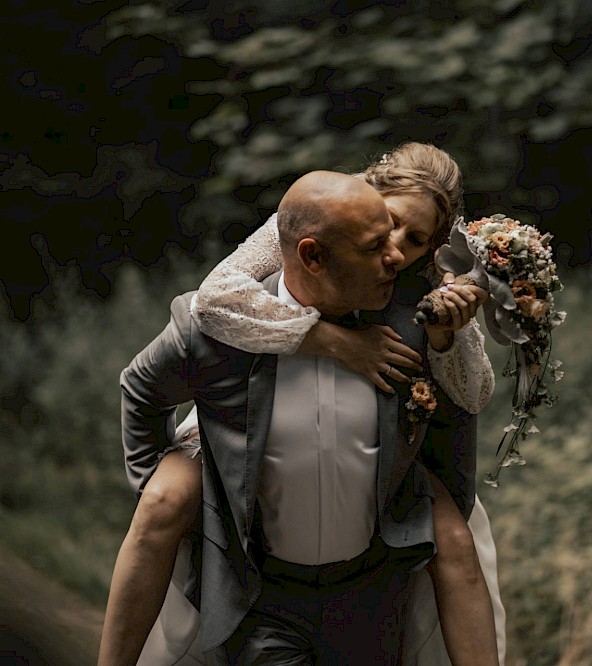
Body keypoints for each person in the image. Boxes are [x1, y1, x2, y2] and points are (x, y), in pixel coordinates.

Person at [100, 144, 505, 665]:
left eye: (416, 240)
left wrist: (449, 337)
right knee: (165, 500)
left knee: (455, 542)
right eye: (387, 230)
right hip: (239, 402)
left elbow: (467, 402)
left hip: (363, 561)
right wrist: (331, 342)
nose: (398, 252)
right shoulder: (305, 220)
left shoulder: (416, 305)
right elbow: (213, 304)